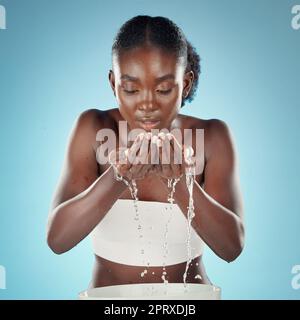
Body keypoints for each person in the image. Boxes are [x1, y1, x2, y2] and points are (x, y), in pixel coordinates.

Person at [46, 15, 244, 289]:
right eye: (130, 89)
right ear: (113, 83)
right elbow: (57, 240)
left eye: (163, 89)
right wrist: (117, 178)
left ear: (185, 84)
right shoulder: (93, 127)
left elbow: (231, 248)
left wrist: (182, 185)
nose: (147, 104)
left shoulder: (212, 136)